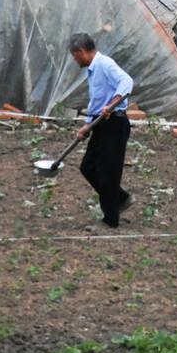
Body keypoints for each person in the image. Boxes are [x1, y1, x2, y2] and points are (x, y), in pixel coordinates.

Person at [68, 32, 134, 229]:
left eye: (74, 55)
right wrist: (87, 126)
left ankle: (110, 220)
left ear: (81, 51)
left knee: (108, 173)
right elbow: (97, 101)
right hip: (101, 125)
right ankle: (120, 198)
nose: (74, 59)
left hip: (114, 124)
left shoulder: (104, 64)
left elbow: (127, 82)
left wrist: (112, 104)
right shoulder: (92, 70)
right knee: (87, 167)